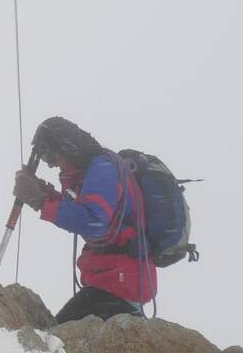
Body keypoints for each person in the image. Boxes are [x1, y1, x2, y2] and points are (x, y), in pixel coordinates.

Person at [13, 116, 158, 323]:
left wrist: (40, 202)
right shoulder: (92, 172)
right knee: (60, 339)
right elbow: (81, 211)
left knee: (58, 341)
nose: (52, 165)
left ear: (67, 147)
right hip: (112, 282)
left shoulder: (102, 169)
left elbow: (94, 222)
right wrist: (43, 193)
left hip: (119, 284)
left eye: (52, 157)